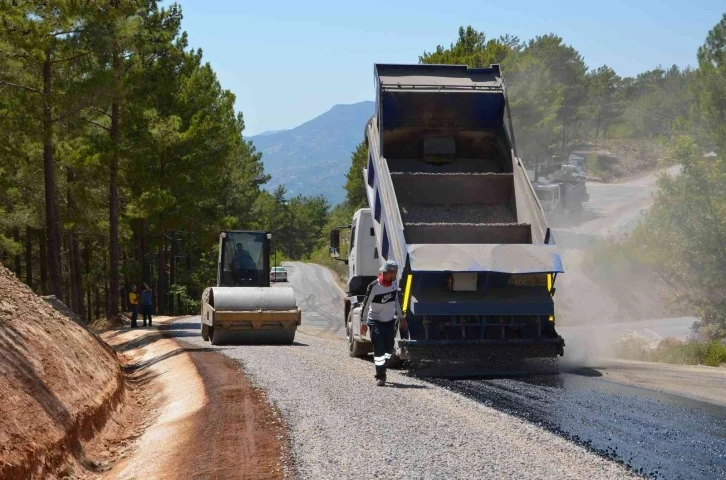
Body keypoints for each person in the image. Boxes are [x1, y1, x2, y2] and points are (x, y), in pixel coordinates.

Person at [361, 260, 407, 386]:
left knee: (388, 349)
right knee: (379, 348)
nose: (396, 275)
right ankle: (380, 375)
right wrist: (363, 322)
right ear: (387, 272)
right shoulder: (374, 286)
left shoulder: (393, 284)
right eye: (395, 273)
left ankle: (383, 368)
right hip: (375, 320)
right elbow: (365, 305)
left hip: (389, 321)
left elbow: (396, 301)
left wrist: (401, 317)